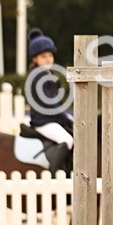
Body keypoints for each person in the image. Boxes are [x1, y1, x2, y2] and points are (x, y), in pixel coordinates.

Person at [24, 31, 73, 168]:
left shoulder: (49, 75)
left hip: (52, 119)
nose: (48, 59)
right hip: (43, 121)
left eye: (50, 55)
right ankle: (54, 174)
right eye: (43, 56)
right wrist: (65, 119)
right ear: (35, 59)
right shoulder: (37, 76)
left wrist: (67, 117)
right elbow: (50, 105)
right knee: (67, 140)